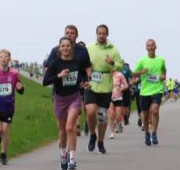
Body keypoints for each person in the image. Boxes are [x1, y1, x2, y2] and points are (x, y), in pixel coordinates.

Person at [43, 36, 90, 170]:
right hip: (60, 99)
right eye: (62, 46)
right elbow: (45, 81)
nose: (65, 48)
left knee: (70, 128)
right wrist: (59, 75)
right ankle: (63, 155)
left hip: (74, 98)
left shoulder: (77, 63)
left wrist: (85, 83)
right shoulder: (55, 64)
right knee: (62, 130)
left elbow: (82, 78)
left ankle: (72, 159)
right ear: (59, 48)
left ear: (71, 47)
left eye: (67, 46)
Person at [43, 25, 90, 138]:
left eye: (72, 33)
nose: (69, 35)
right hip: (59, 89)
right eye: (67, 33)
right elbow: (46, 68)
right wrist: (55, 77)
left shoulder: (82, 50)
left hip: (76, 88)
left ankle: (75, 127)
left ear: (76, 35)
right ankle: (63, 142)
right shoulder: (56, 50)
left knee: (72, 118)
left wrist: (89, 79)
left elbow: (88, 66)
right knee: (62, 126)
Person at [85, 25, 123, 154]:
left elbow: (120, 66)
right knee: (90, 112)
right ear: (96, 34)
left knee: (102, 116)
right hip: (91, 84)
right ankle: (92, 135)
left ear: (107, 35)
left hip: (106, 85)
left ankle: (100, 141)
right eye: (99, 33)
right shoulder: (89, 48)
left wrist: (112, 63)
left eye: (104, 33)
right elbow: (82, 63)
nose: (101, 35)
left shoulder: (113, 50)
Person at [0, 49, 25, 164]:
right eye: (1, 56)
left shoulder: (14, 74)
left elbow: (21, 89)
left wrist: (20, 88)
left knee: (5, 130)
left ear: (9, 59)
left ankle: (3, 155)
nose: (3, 58)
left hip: (9, 107)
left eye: (6, 56)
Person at [132, 39, 167, 146]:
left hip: (157, 89)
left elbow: (164, 71)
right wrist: (142, 72)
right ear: (146, 48)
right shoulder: (142, 61)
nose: (151, 47)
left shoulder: (161, 60)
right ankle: (147, 133)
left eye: (152, 45)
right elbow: (134, 73)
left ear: (155, 47)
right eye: (148, 45)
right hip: (145, 91)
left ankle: (154, 133)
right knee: (146, 115)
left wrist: (163, 77)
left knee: (155, 111)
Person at [109, 68, 129, 138]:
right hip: (109, 97)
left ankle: (118, 123)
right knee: (111, 115)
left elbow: (126, 85)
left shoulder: (119, 74)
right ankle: (112, 132)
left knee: (118, 116)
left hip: (118, 97)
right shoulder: (106, 74)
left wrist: (121, 89)